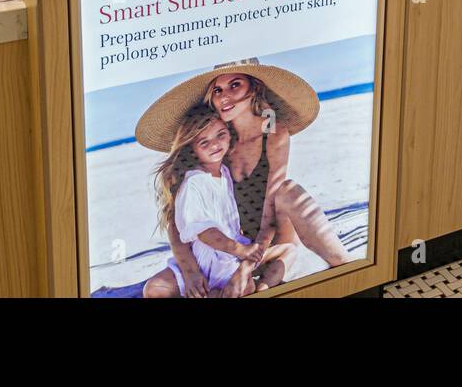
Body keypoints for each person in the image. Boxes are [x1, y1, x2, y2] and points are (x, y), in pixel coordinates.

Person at [135, 59, 352, 298]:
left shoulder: (273, 133)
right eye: (217, 90)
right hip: (225, 247)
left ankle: (345, 265)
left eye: (235, 85)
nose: (224, 96)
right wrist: (190, 273)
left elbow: (270, 216)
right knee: (158, 290)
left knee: (288, 190)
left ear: (255, 88)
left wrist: (244, 267)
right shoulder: (217, 144)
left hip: (267, 242)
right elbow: (177, 220)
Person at [141, 106, 294, 298]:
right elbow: (205, 232)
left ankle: (260, 289)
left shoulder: (225, 172)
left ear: (230, 135)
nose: (215, 144)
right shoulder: (194, 182)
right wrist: (241, 250)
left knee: (288, 251)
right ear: (192, 149)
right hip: (205, 256)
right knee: (154, 288)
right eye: (204, 142)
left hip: (230, 253)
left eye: (220, 135)